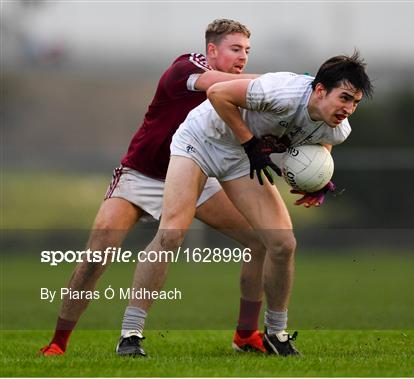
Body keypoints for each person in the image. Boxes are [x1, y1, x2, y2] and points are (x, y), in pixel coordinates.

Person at [40, 19, 269, 357]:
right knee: (96, 257)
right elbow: (219, 85)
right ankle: (58, 344)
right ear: (212, 50)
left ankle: (246, 335)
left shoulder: (237, 89)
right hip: (141, 176)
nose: (243, 57)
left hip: (194, 175)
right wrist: (283, 82)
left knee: (262, 239)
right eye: (235, 49)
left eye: (247, 51)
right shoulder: (186, 69)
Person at [124, 52, 373, 356]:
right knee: (172, 234)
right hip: (199, 142)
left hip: (242, 159)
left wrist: (318, 180)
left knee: (282, 243)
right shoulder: (281, 91)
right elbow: (217, 93)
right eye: (344, 98)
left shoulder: (337, 128)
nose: (348, 109)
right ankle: (130, 334)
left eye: (355, 102)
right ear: (320, 90)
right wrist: (249, 143)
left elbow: (321, 145)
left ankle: (276, 333)